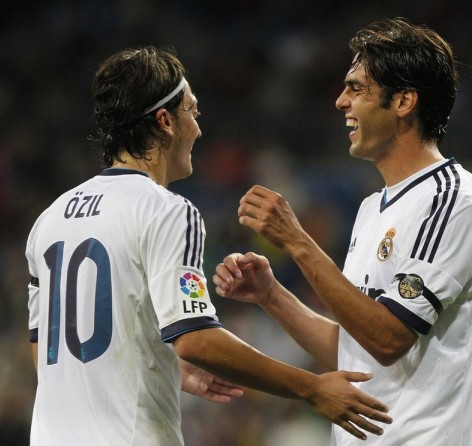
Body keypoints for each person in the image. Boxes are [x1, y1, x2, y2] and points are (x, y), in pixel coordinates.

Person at [25, 46, 392, 446]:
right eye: (192, 112)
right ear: (165, 121)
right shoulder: (166, 210)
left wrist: (159, 363)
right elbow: (197, 340)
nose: (198, 129)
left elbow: (47, 351)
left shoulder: (50, 219)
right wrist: (312, 387)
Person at [214, 18, 472, 445]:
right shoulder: (371, 208)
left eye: (357, 88)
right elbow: (356, 350)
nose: (340, 101)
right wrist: (271, 296)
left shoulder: (452, 198)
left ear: (403, 101)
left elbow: (389, 339)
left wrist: (297, 240)